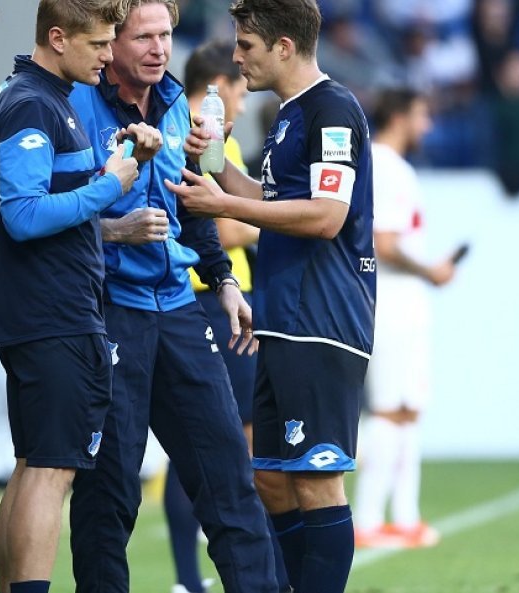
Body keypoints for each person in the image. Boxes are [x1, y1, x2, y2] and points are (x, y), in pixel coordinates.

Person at [67, 2, 280, 592]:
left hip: (183, 309)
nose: (161, 48)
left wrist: (226, 281)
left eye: (166, 35)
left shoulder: (176, 108)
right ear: (112, 41)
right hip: (112, 312)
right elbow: (37, 215)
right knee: (110, 492)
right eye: (145, 36)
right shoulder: (73, 104)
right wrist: (114, 229)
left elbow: (196, 204)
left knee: (231, 479)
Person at [169, 1, 375, 592]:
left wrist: (226, 206)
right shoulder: (288, 115)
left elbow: (327, 216)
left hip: (322, 319)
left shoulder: (332, 111)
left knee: (315, 478)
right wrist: (217, 174)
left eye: (248, 46)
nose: (236, 57)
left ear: (284, 46)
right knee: (273, 478)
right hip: (281, 317)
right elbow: (272, 195)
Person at [0, 2, 138, 592]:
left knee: (31, 468)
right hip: (53, 314)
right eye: (99, 44)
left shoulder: (42, 98)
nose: (108, 55)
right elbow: (22, 215)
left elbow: (53, 199)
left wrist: (115, 169)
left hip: (40, 312)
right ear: (57, 37)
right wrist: (109, 186)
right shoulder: (32, 102)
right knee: (51, 473)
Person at [165, 37, 290, 593]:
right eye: (238, 85)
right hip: (205, 299)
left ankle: (199, 575)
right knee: (226, 440)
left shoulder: (208, 134)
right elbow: (222, 225)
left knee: (207, 441)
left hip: (220, 296)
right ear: (221, 87)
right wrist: (271, 220)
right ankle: (204, 575)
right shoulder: (201, 135)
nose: (243, 98)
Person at [353, 87, 457, 550]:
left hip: (404, 299)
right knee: (391, 408)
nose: (428, 126)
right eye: (421, 115)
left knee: (409, 408)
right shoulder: (387, 167)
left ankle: (405, 516)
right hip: (391, 298)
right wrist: (429, 269)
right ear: (398, 115)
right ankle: (369, 518)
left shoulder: (393, 166)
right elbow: (385, 241)